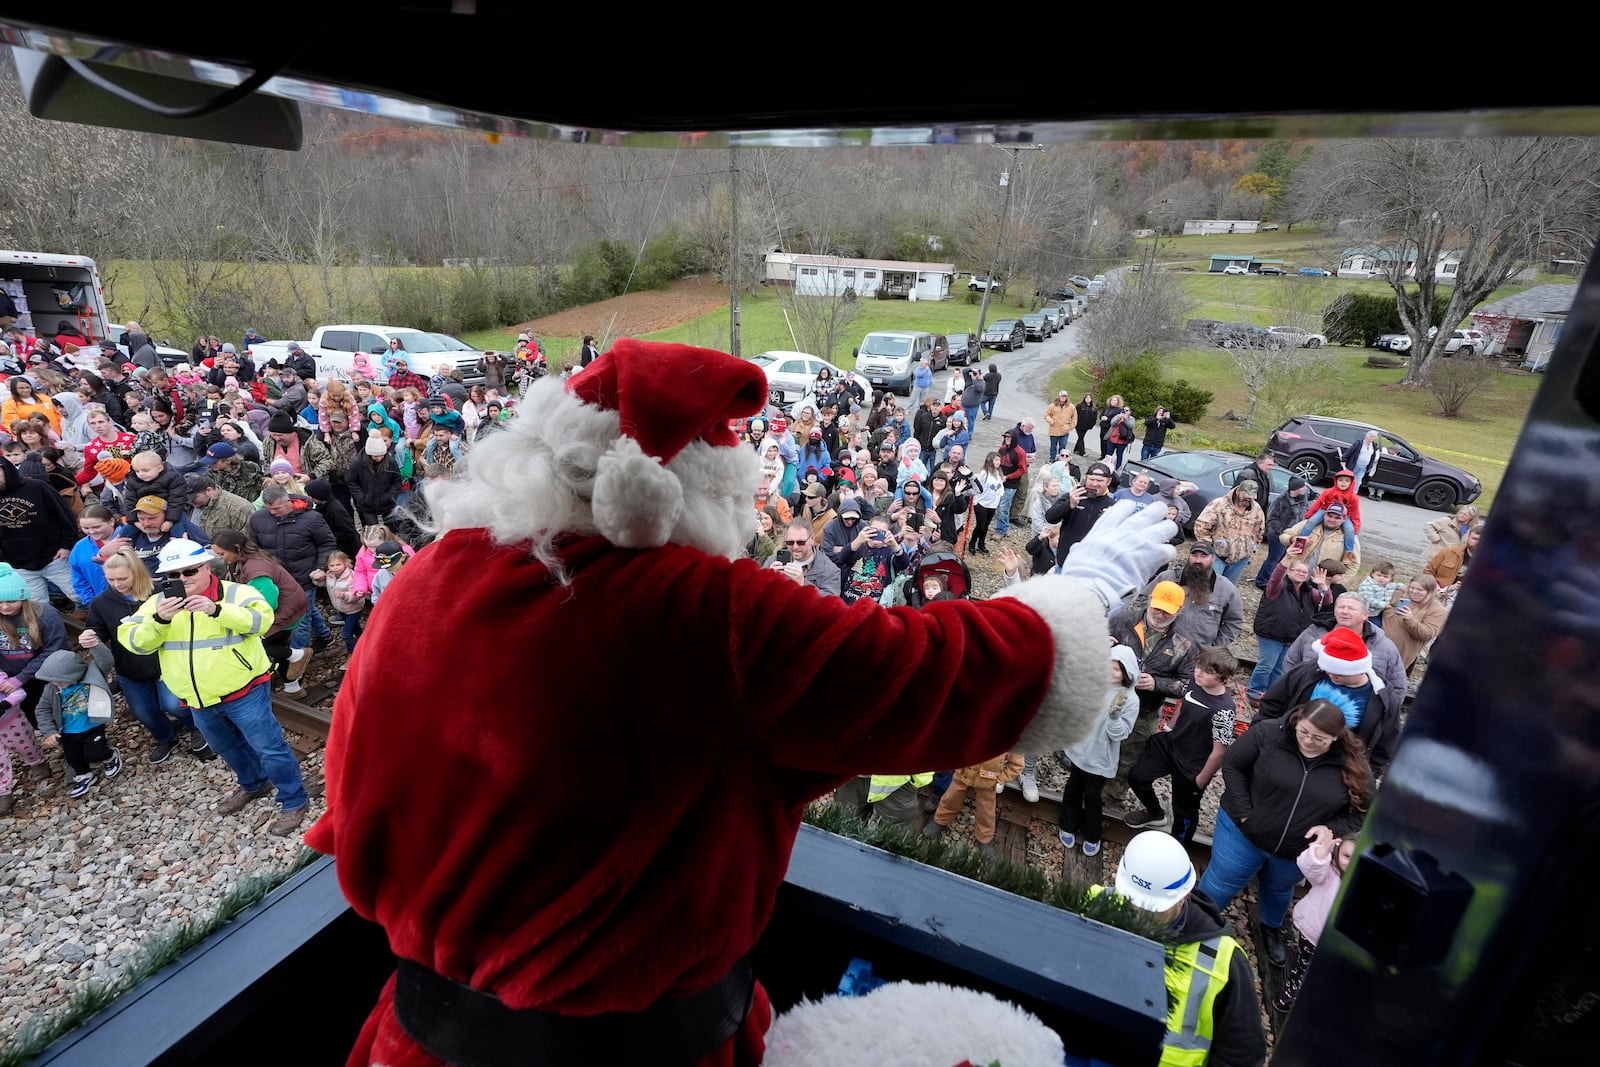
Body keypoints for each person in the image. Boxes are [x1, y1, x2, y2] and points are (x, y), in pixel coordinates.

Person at [305, 339, 1181, 1067]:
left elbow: (345, 804)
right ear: (686, 492)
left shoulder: (430, 575)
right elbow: (926, 673)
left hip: (412, 1037)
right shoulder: (705, 611)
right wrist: (1085, 586)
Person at [120, 538, 308, 835]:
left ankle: (294, 799)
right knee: (225, 746)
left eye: (189, 571)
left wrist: (217, 610)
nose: (182, 580)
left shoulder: (237, 593)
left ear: (207, 568)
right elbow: (132, 642)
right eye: (173, 575)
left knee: (269, 747)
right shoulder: (159, 605)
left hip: (244, 690)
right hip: (197, 696)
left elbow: (261, 621)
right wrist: (158, 620)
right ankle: (253, 784)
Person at [1197, 699, 1376, 968]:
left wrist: (1330, 830)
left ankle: (1271, 928)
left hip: (1297, 849)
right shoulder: (1268, 733)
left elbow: (1364, 809)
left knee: (1280, 889)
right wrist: (1246, 812)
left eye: (1319, 738)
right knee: (1221, 881)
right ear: (1297, 721)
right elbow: (1233, 763)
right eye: (1303, 732)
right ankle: (1197, 923)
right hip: (1242, 833)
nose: (1308, 740)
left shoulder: (1353, 764)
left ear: (1337, 738)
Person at [1092, 832, 1267, 1066]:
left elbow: (1241, 1054)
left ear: (1183, 897)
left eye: (1153, 908)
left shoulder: (1223, 961)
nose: (1139, 913)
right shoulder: (1094, 906)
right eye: (1132, 901)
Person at [79, 548, 211, 764]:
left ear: (137, 573)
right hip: (130, 669)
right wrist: (90, 636)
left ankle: (197, 728)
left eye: (122, 578)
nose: (117, 584)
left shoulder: (161, 591)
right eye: (110, 579)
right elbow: (98, 629)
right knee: (145, 712)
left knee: (174, 704)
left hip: (165, 664)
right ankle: (167, 739)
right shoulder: (102, 602)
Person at [1125, 646, 1238, 843]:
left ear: (1225, 679)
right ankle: (1155, 813)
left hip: (1193, 763)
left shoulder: (1224, 710)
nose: (1198, 672)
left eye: (1208, 671)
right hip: (1171, 745)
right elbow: (1184, 702)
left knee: (1184, 810)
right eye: (1198, 666)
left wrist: (1201, 780)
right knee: (1137, 777)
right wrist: (1170, 727)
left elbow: (1219, 752)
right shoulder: (1195, 682)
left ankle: (1179, 846)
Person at [1257, 627, 1401, 777]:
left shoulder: (1383, 698)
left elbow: (1386, 742)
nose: (1332, 676)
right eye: (1328, 670)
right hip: (1288, 752)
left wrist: (1368, 774)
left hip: (1341, 768)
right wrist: (1263, 741)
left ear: (1359, 670)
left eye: (1339, 673)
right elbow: (1272, 704)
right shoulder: (1307, 673)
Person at [1109, 581, 1197, 790]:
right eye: (1157, 608)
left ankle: (1111, 796)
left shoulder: (1184, 642)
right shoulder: (1123, 620)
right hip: (1106, 701)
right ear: (1150, 600)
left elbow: (1187, 686)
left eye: (1167, 611)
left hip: (1145, 712)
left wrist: (1157, 684)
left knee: (1128, 759)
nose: (1160, 614)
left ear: (1179, 611)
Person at [1057, 644, 1141, 857]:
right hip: (1080, 749)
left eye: (1116, 669)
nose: (1110, 672)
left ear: (1127, 672)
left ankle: (1092, 834)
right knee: (1073, 787)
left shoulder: (1130, 700)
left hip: (1101, 757)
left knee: (1093, 796)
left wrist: (1113, 718)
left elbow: (1120, 734)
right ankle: (1067, 824)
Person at [1274, 826, 1357, 1012]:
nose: (1351, 863)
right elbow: (1309, 867)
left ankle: (1317, 995)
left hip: (1340, 942)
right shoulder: (1329, 870)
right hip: (1313, 933)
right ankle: (1292, 989)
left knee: (1328, 971)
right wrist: (1322, 850)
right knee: (1303, 965)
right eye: (1347, 856)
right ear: (1338, 850)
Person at [34, 648, 121, 799]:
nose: (56, 683)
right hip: (67, 731)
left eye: (60, 680)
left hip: (93, 725)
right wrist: (49, 731)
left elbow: (106, 660)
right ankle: (84, 775)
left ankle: (110, 756)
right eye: (52, 680)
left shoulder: (92, 676)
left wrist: (95, 644)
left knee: (96, 753)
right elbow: (42, 710)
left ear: (73, 674)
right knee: (73, 758)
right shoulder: (51, 689)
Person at [0, 454, 82, 609]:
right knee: (38, 607)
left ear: (6, 470)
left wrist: (67, 545)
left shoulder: (37, 487)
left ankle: (95, 625)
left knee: (78, 594)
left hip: (54, 555)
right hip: (19, 562)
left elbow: (65, 516)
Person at [0, 563, 69, 730]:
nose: (4, 607)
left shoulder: (45, 613)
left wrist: (21, 678)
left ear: (23, 597)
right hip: (9, 678)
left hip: (44, 675)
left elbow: (55, 650)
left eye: (11, 600)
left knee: (57, 714)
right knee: (33, 718)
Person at [1142, 541, 1244, 650]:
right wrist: (1153, 621)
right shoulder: (1167, 578)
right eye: (1194, 555)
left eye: (1203, 556)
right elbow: (1143, 598)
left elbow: (1234, 622)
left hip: (1199, 654)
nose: (1198, 560)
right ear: (1189, 556)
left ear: (1213, 558)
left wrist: (1215, 648)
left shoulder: (1226, 589)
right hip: (1159, 648)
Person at [1248, 558, 1316, 700]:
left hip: (1290, 636)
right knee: (1266, 665)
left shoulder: (1307, 591)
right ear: (1289, 571)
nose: (1301, 574)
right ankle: (1254, 692)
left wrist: (1323, 586)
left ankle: (1271, 693)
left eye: (1305, 572)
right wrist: (1286, 559)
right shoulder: (1278, 586)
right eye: (1298, 570)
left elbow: (1326, 600)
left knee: (1279, 668)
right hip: (1271, 633)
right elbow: (1275, 576)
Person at [1193, 482, 1266, 583]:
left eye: (1251, 497)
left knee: (1228, 590)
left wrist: (1252, 548)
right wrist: (1209, 547)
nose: (1248, 499)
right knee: (1210, 586)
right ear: (1238, 491)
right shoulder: (1219, 504)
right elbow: (1201, 525)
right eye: (1246, 496)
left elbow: (1259, 531)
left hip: (1241, 560)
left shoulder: (1256, 510)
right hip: (1217, 557)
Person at [1380, 574, 1448, 673]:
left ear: (1430, 592)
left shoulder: (1436, 609)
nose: (1414, 592)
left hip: (1400, 654)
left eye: (1420, 590)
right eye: (1412, 588)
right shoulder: (1398, 594)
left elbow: (1428, 634)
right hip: (1378, 645)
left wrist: (1410, 619)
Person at [1293, 468, 1361, 565]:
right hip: (1326, 510)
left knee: (1350, 531)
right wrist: (1310, 514)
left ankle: (1347, 554)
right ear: (1336, 480)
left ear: (1352, 482)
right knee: (1311, 522)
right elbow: (1319, 503)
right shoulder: (1328, 491)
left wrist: (1355, 527)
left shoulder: (1354, 497)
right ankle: (1300, 544)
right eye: (1340, 480)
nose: (1343, 483)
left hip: (1343, 515)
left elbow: (1355, 513)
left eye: (1346, 481)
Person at [1253, 475, 1309, 589]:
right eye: (1303, 486)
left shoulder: (1303, 498)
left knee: (1284, 559)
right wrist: (1282, 532)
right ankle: (1262, 581)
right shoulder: (1280, 500)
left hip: (1292, 535)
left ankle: (1274, 579)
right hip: (1278, 535)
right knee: (1274, 558)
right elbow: (1272, 518)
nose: (1305, 489)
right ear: (1295, 488)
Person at [769, 520, 841, 598]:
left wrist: (803, 583)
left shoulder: (830, 571)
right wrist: (767, 578)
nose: (795, 547)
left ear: (812, 539)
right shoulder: (775, 560)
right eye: (790, 542)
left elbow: (830, 604)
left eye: (801, 542)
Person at [184, 472, 256, 543]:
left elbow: (246, 541)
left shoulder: (239, 508)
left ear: (209, 490)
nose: (191, 502)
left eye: (194, 498)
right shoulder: (191, 505)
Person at [993, 429, 1027, 540]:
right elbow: (997, 462)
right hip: (999, 482)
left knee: (1004, 507)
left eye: (1009, 437)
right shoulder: (1002, 449)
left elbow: (1022, 469)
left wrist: (1008, 477)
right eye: (1005, 437)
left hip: (1011, 484)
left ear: (1014, 439)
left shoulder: (1020, 452)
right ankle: (1003, 528)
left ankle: (1000, 531)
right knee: (998, 506)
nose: (1007, 439)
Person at [968, 451, 1005, 555]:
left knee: (986, 525)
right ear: (990, 460)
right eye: (996, 460)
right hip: (981, 503)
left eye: (999, 460)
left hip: (992, 504)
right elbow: (977, 487)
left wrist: (999, 498)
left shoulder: (998, 474)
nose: (998, 462)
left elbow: (1000, 488)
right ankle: (972, 543)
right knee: (980, 525)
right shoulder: (984, 473)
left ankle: (981, 544)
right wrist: (975, 502)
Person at [1424, 524, 1479, 589]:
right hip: (1440, 592)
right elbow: (1428, 572)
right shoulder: (1448, 552)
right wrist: (1439, 589)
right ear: (1468, 538)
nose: (1478, 542)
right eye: (1474, 539)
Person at [1343, 428, 1381, 497]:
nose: (1372, 438)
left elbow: (1373, 457)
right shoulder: (1359, 443)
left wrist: (1370, 466)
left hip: (1363, 468)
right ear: (1366, 435)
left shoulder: (1374, 446)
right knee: (1348, 480)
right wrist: (1344, 460)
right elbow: (1350, 451)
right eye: (1370, 436)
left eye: (1374, 437)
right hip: (1354, 465)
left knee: (1357, 482)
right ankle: (1344, 493)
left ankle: (1353, 495)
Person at [1105, 406, 1136, 470]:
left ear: (1130, 412)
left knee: (1119, 455)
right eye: (1125, 410)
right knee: (1109, 454)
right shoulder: (1117, 416)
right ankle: (1106, 467)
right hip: (1113, 438)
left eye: (1127, 410)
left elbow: (1130, 426)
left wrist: (1125, 419)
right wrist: (1118, 418)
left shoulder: (1131, 418)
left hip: (1123, 440)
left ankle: (1117, 469)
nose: (1126, 412)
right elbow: (1112, 423)